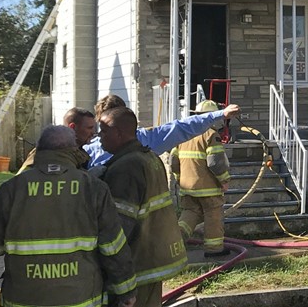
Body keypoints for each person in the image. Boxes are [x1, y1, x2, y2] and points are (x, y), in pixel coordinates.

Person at [0, 125, 138, 307]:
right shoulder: (93, 188)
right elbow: (113, 248)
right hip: (80, 299)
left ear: (39, 149)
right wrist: (126, 291)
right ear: (73, 150)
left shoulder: (12, 188)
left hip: (22, 299)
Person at [99, 107, 188, 307]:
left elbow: (118, 228)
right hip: (153, 261)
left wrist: (111, 268)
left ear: (118, 133)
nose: (99, 136)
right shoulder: (150, 158)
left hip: (136, 266)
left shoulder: (125, 168)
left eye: (104, 131)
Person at [84, 94, 242, 169]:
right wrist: (220, 114)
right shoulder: (87, 151)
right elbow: (182, 128)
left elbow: (182, 127)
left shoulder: (144, 139)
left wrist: (220, 114)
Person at [171, 99, 232, 258]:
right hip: (208, 189)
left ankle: (173, 245)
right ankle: (214, 250)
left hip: (187, 187)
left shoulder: (185, 134)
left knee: (188, 216)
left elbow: (173, 161)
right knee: (213, 217)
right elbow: (215, 162)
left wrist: (179, 178)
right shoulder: (211, 135)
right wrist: (224, 180)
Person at [17, 107, 95, 173]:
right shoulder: (45, 152)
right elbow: (22, 179)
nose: (93, 133)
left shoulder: (81, 155)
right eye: (89, 128)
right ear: (72, 127)